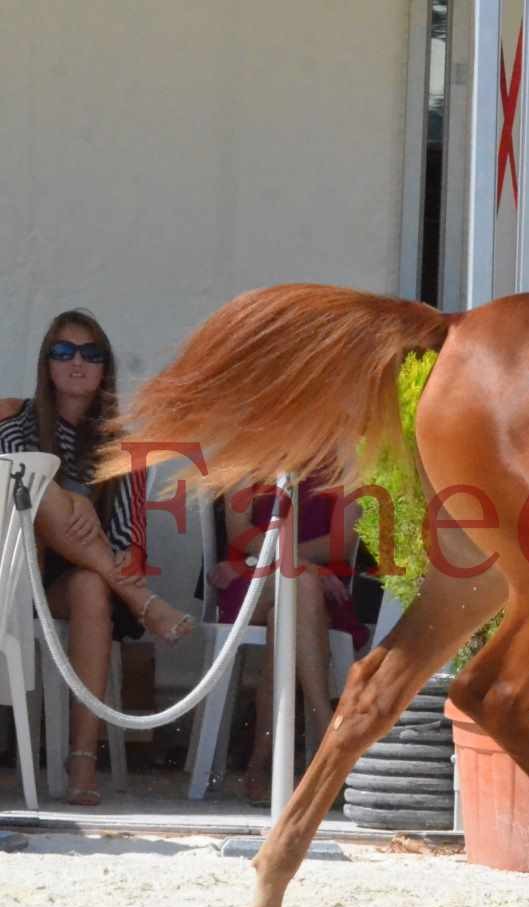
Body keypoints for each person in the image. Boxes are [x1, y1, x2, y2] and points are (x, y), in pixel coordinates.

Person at [0, 309, 194, 804]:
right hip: (17, 572)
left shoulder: (119, 446)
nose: (77, 362)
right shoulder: (15, 424)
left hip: (82, 581)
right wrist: (76, 500)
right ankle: (147, 604)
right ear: (47, 364)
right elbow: (15, 503)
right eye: (63, 352)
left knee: (91, 587)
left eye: (91, 353)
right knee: (37, 485)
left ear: (105, 368)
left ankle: (82, 758)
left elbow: (128, 543)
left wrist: (83, 518)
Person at [210, 479, 368, 804]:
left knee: (291, 603)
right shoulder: (249, 443)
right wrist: (302, 564)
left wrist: (296, 566)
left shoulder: (343, 449)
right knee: (301, 585)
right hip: (255, 580)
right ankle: (329, 743)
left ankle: (261, 762)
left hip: (322, 591)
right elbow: (240, 532)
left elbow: (341, 543)